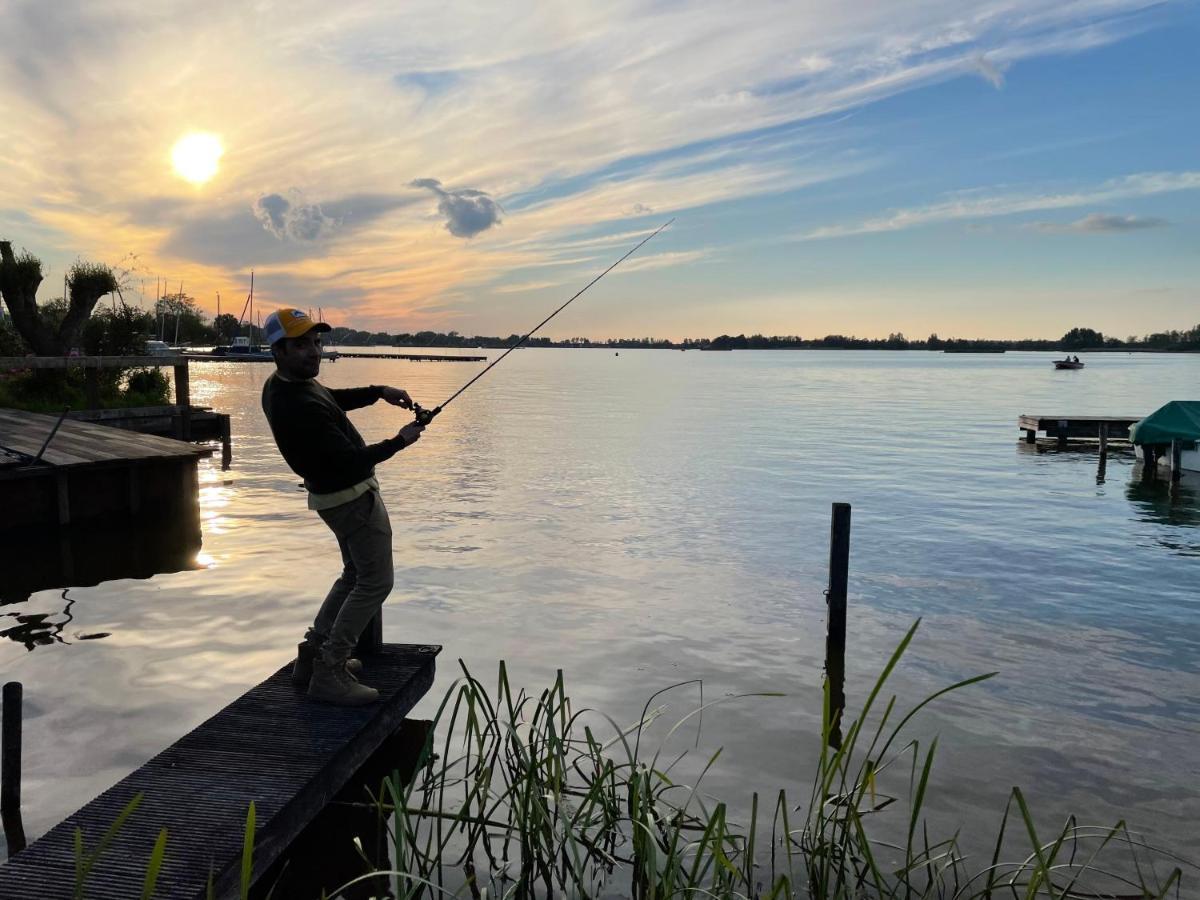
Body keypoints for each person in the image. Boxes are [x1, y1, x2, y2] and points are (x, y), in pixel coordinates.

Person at [260, 308, 425, 705]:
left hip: (334, 498)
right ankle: (330, 671)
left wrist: (377, 392)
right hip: (352, 501)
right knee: (375, 582)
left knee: (354, 576)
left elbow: (331, 400)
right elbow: (351, 462)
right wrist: (401, 440)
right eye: (301, 345)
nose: (313, 352)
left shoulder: (288, 386)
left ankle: (313, 654)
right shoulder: (295, 404)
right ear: (278, 351)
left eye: (316, 343)